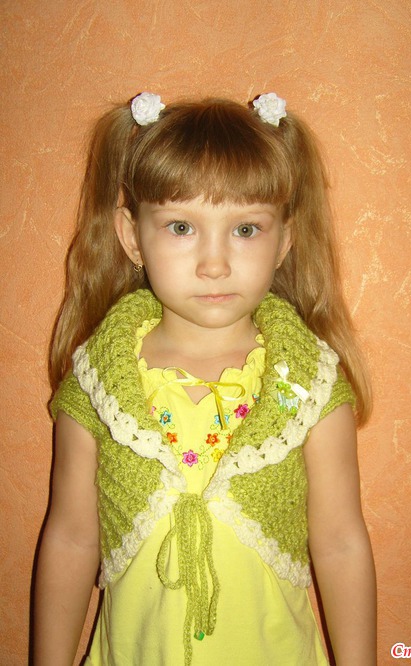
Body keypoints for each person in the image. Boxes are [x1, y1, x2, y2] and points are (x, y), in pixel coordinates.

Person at [33, 91, 376, 666]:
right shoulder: (96, 384)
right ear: (131, 237)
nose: (214, 263)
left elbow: (340, 543)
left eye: (245, 230)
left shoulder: (307, 385)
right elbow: (70, 538)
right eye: (181, 227)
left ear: (284, 240)